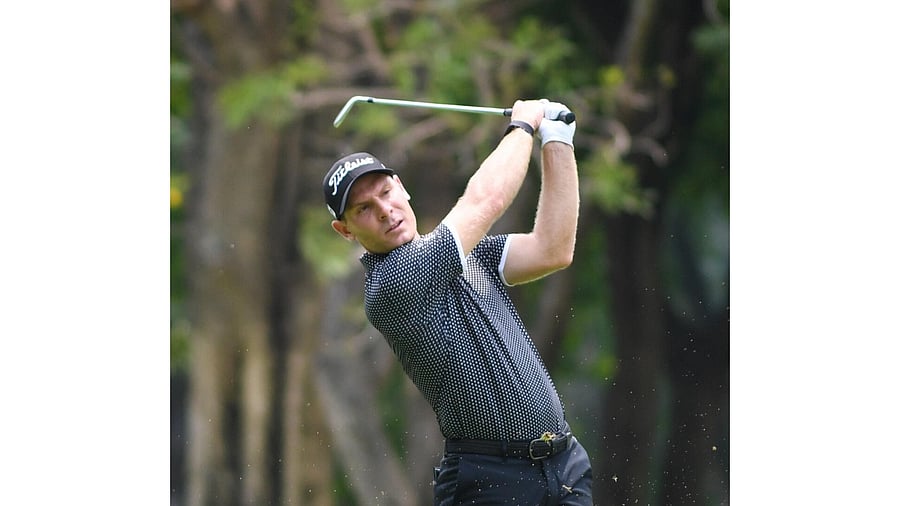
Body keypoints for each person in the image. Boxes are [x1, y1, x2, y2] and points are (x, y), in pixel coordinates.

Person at [323, 99, 592, 505]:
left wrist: (557, 142)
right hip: (491, 483)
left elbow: (552, 249)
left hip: (564, 467)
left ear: (402, 186)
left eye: (385, 192)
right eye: (364, 209)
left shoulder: (470, 257)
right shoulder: (393, 282)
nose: (385, 211)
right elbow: (485, 202)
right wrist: (522, 126)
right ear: (345, 230)